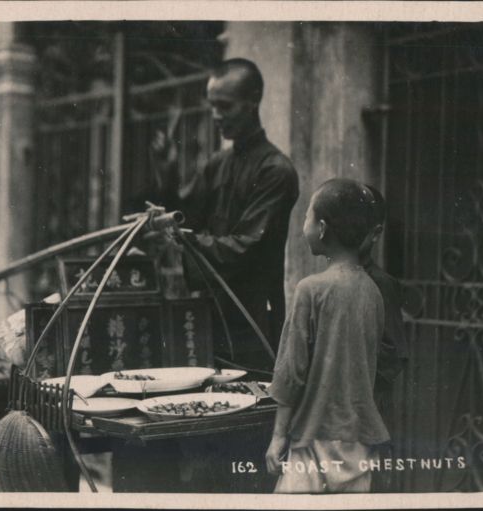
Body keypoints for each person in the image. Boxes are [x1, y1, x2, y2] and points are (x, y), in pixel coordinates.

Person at [150, 58, 299, 374]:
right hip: (208, 314)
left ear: (253, 100)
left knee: (250, 402)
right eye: (212, 105)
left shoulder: (276, 171)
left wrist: (185, 241)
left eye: (225, 106)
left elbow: (247, 247)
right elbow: (185, 217)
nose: (216, 115)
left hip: (253, 319)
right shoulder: (217, 164)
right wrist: (168, 175)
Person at [265, 178, 389, 493]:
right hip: (357, 443)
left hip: (312, 440)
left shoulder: (310, 289)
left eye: (306, 216)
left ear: (321, 228)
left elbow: (290, 373)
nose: (303, 224)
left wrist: (279, 435)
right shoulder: (372, 291)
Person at [360, 184, 409, 492]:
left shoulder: (380, 284)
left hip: (370, 408)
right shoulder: (322, 286)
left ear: (375, 233)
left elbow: (395, 353)